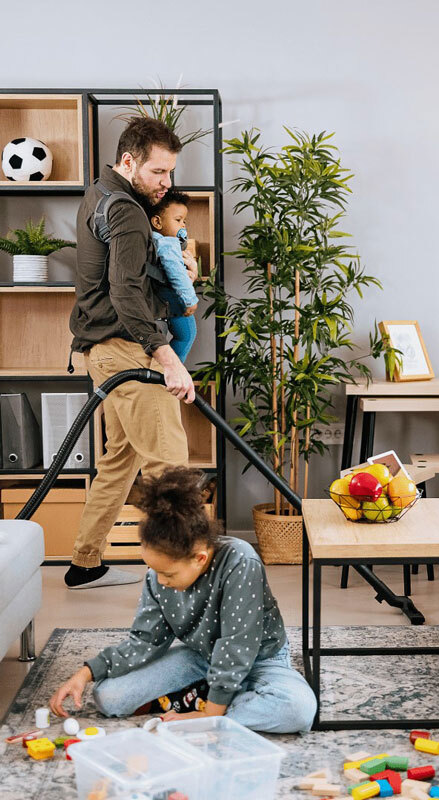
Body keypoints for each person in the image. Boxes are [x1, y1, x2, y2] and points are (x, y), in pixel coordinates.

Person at [48, 467, 317, 734]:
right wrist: (84, 674)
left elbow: (236, 649)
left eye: (168, 573)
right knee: (109, 697)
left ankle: (211, 703)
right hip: (201, 656)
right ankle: (216, 694)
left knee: (298, 709)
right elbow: (144, 641)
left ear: (199, 557)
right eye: (155, 570)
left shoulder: (240, 561)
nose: (160, 581)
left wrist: (205, 716)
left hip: (260, 659)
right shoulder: (157, 576)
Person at [67, 118, 198, 589]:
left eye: (170, 173)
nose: (167, 183)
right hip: (123, 352)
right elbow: (125, 293)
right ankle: (183, 578)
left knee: (119, 463)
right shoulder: (126, 210)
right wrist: (169, 360)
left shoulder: (99, 194)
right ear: (129, 161)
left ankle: (85, 563)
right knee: (171, 466)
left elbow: (128, 281)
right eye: (159, 172)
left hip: (99, 350)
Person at [149, 190, 199, 363]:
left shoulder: (153, 240)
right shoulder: (167, 243)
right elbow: (176, 273)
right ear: (157, 222)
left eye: (184, 221)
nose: (183, 225)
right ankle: (174, 369)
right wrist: (190, 299)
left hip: (162, 300)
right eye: (178, 220)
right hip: (174, 300)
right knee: (187, 335)